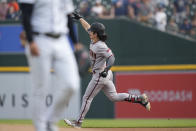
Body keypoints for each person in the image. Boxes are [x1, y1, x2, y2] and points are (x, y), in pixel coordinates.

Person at [64, 11, 151, 128]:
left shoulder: (100, 45)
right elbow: (87, 27)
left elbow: (112, 57)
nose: (89, 32)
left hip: (100, 75)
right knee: (114, 97)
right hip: (105, 74)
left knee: (86, 98)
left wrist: (106, 69)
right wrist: (80, 19)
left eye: (92, 31)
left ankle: (78, 122)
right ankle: (139, 99)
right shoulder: (94, 39)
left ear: (96, 34)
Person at [19, 0, 80, 131]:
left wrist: (76, 42)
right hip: (39, 39)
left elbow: (68, 16)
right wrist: (31, 41)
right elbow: (25, 14)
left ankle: (50, 121)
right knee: (41, 88)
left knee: (72, 85)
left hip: (62, 40)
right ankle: (41, 127)